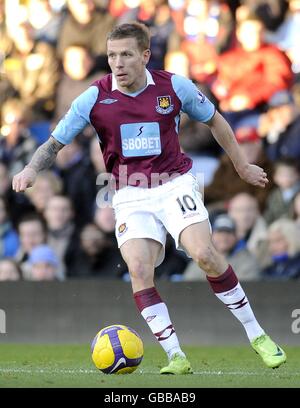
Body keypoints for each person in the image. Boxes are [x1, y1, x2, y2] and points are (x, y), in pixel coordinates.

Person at [12, 22, 286, 374]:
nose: (118, 63)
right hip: (129, 194)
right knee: (139, 268)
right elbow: (54, 143)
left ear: (145, 55)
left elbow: (215, 120)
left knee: (204, 254)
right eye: (112, 55)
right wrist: (32, 170)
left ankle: (258, 335)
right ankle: (175, 355)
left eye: (126, 54)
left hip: (174, 183)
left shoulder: (173, 86)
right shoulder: (94, 97)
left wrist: (242, 165)